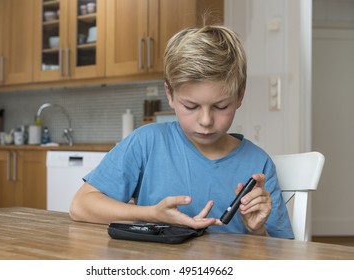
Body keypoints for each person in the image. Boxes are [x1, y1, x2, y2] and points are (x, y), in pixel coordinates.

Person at [69, 25, 294, 239]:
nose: (206, 121)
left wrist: (257, 230)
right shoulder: (147, 142)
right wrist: (151, 214)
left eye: (220, 106)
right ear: (170, 94)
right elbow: (80, 206)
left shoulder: (258, 163)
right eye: (191, 106)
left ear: (240, 96)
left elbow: (283, 253)